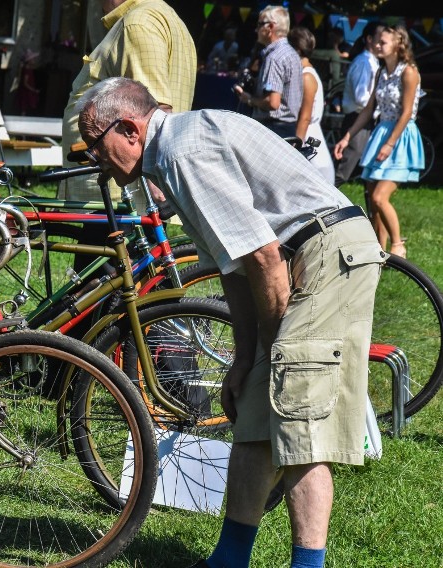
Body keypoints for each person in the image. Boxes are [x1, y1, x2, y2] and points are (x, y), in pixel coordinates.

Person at [75, 76, 384, 568]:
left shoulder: (181, 154)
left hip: (327, 252)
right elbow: (237, 269)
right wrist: (245, 361)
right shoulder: (171, 153)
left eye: (96, 144)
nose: (96, 161)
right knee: (255, 415)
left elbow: (263, 258)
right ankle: (228, 560)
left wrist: (277, 346)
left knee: (298, 420)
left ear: (129, 128)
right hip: (297, 258)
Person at [57, 0, 197, 207]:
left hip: (125, 197)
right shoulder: (157, 16)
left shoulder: (137, 23)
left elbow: (151, 114)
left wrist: (157, 188)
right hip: (127, 192)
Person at [334, 25, 424, 258]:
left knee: (379, 197)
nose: (377, 45)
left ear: (399, 43)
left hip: (399, 136)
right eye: (377, 42)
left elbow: (406, 113)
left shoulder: (409, 71)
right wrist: (347, 136)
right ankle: (379, 251)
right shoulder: (381, 72)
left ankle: (397, 245)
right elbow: (368, 110)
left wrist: (390, 143)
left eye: (383, 42)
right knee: (373, 201)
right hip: (382, 132)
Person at [233, 5, 302, 138]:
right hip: (289, 127)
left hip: (273, 128)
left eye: (259, 24)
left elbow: (273, 102)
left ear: (270, 27)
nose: (256, 29)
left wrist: (249, 99)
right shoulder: (292, 54)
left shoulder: (274, 58)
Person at [334, 21, 382, 186]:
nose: (382, 43)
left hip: (364, 119)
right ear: (369, 39)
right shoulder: (363, 62)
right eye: (379, 39)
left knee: (367, 173)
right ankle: (323, 203)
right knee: (343, 171)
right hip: (357, 119)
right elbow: (361, 97)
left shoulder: (373, 62)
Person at [289, 26, 335, 183]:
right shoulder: (303, 74)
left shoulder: (306, 77)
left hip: (310, 139)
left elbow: (305, 117)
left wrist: (295, 147)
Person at [16, 48, 41, 115]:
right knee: (24, 108)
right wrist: (34, 90)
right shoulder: (27, 70)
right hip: (26, 92)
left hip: (27, 91)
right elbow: (25, 83)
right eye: (32, 59)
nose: (34, 60)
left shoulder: (29, 68)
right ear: (29, 60)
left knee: (26, 108)